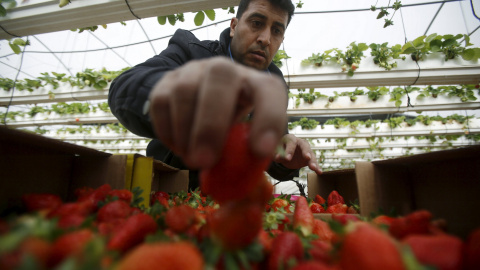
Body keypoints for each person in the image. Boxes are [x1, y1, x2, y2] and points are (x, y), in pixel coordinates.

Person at [108, 0, 322, 189]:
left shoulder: (275, 89)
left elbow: (272, 151)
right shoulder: (191, 53)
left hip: (231, 202)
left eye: (276, 31)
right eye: (256, 23)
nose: (265, 39)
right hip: (172, 190)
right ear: (234, 26)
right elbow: (124, 87)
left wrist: (286, 159)